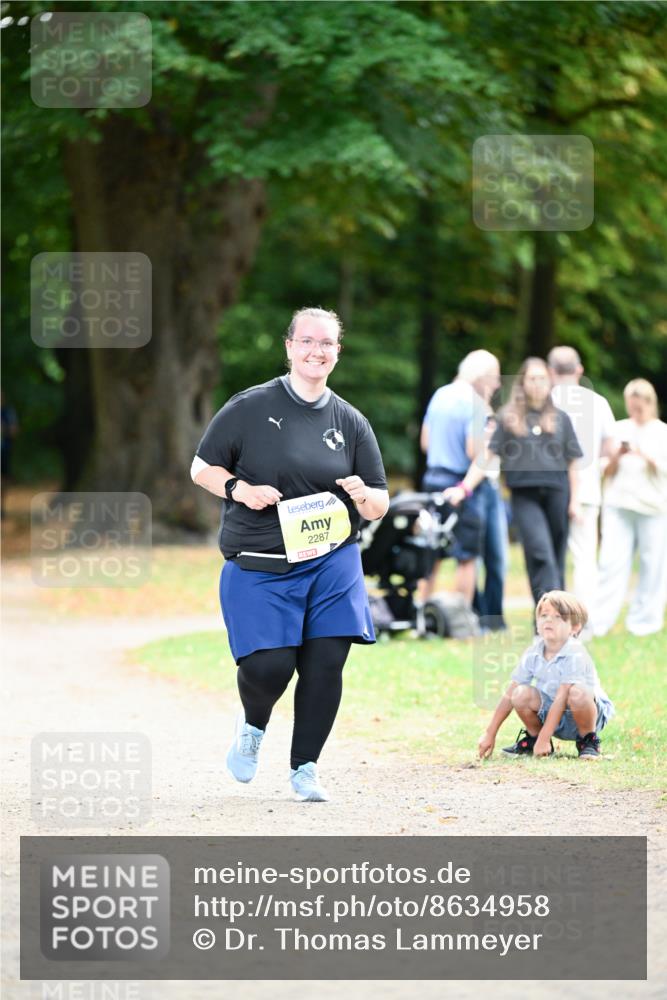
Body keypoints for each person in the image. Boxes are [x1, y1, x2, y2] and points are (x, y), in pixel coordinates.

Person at [191, 307, 389, 802]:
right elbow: (201, 467)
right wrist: (239, 489)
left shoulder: (351, 421)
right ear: (289, 347)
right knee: (270, 667)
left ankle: (305, 769)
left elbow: (379, 503)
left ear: (337, 352)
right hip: (261, 559)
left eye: (326, 344)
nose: (316, 351)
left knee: (326, 663)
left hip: (332, 558)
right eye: (307, 341)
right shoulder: (250, 406)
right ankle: (253, 725)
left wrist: (363, 494)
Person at [445, 358, 583, 607]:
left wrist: (575, 501)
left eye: (542, 378)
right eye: (532, 378)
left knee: (556, 557)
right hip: (524, 495)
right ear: (523, 383)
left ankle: (553, 618)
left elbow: (573, 463)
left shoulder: (561, 418)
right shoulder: (508, 418)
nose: (537, 383)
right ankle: (552, 610)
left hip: (558, 493)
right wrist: (464, 488)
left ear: (550, 381)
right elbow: (485, 458)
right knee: (540, 553)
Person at [478, 591, 614, 761]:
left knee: (577, 691)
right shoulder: (533, 653)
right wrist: (490, 733)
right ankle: (536, 739)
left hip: (585, 713)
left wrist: (545, 736)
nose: (549, 620)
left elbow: (563, 696)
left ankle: (587, 741)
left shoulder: (575, 652)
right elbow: (510, 691)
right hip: (552, 713)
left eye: (558, 617)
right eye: (544, 615)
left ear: (574, 627)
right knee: (519, 693)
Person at [419, 350, 502, 610]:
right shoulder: (477, 404)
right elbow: (476, 453)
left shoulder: (440, 395)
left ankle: (421, 610)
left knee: (431, 552)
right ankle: (463, 616)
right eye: (495, 378)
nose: (497, 385)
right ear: (482, 376)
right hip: (461, 485)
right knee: (466, 557)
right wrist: (465, 487)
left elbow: (425, 442)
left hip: (433, 480)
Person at [593, 379, 667, 637]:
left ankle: (645, 622)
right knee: (611, 563)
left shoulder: (661, 432)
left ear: (650, 403)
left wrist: (642, 453)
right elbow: (605, 470)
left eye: (639, 407)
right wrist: (618, 455)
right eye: (631, 407)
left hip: (653, 508)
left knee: (652, 565)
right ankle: (600, 622)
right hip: (619, 505)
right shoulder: (619, 429)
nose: (635, 412)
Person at [548, 346, 616, 609]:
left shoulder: (544, 401)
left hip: (550, 487)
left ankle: (551, 613)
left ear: (551, 371)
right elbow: (610, 448)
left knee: (552, 554)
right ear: (579, 370)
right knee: (585, 557)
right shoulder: (597, 402)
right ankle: (585, 617)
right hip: (587, 488)